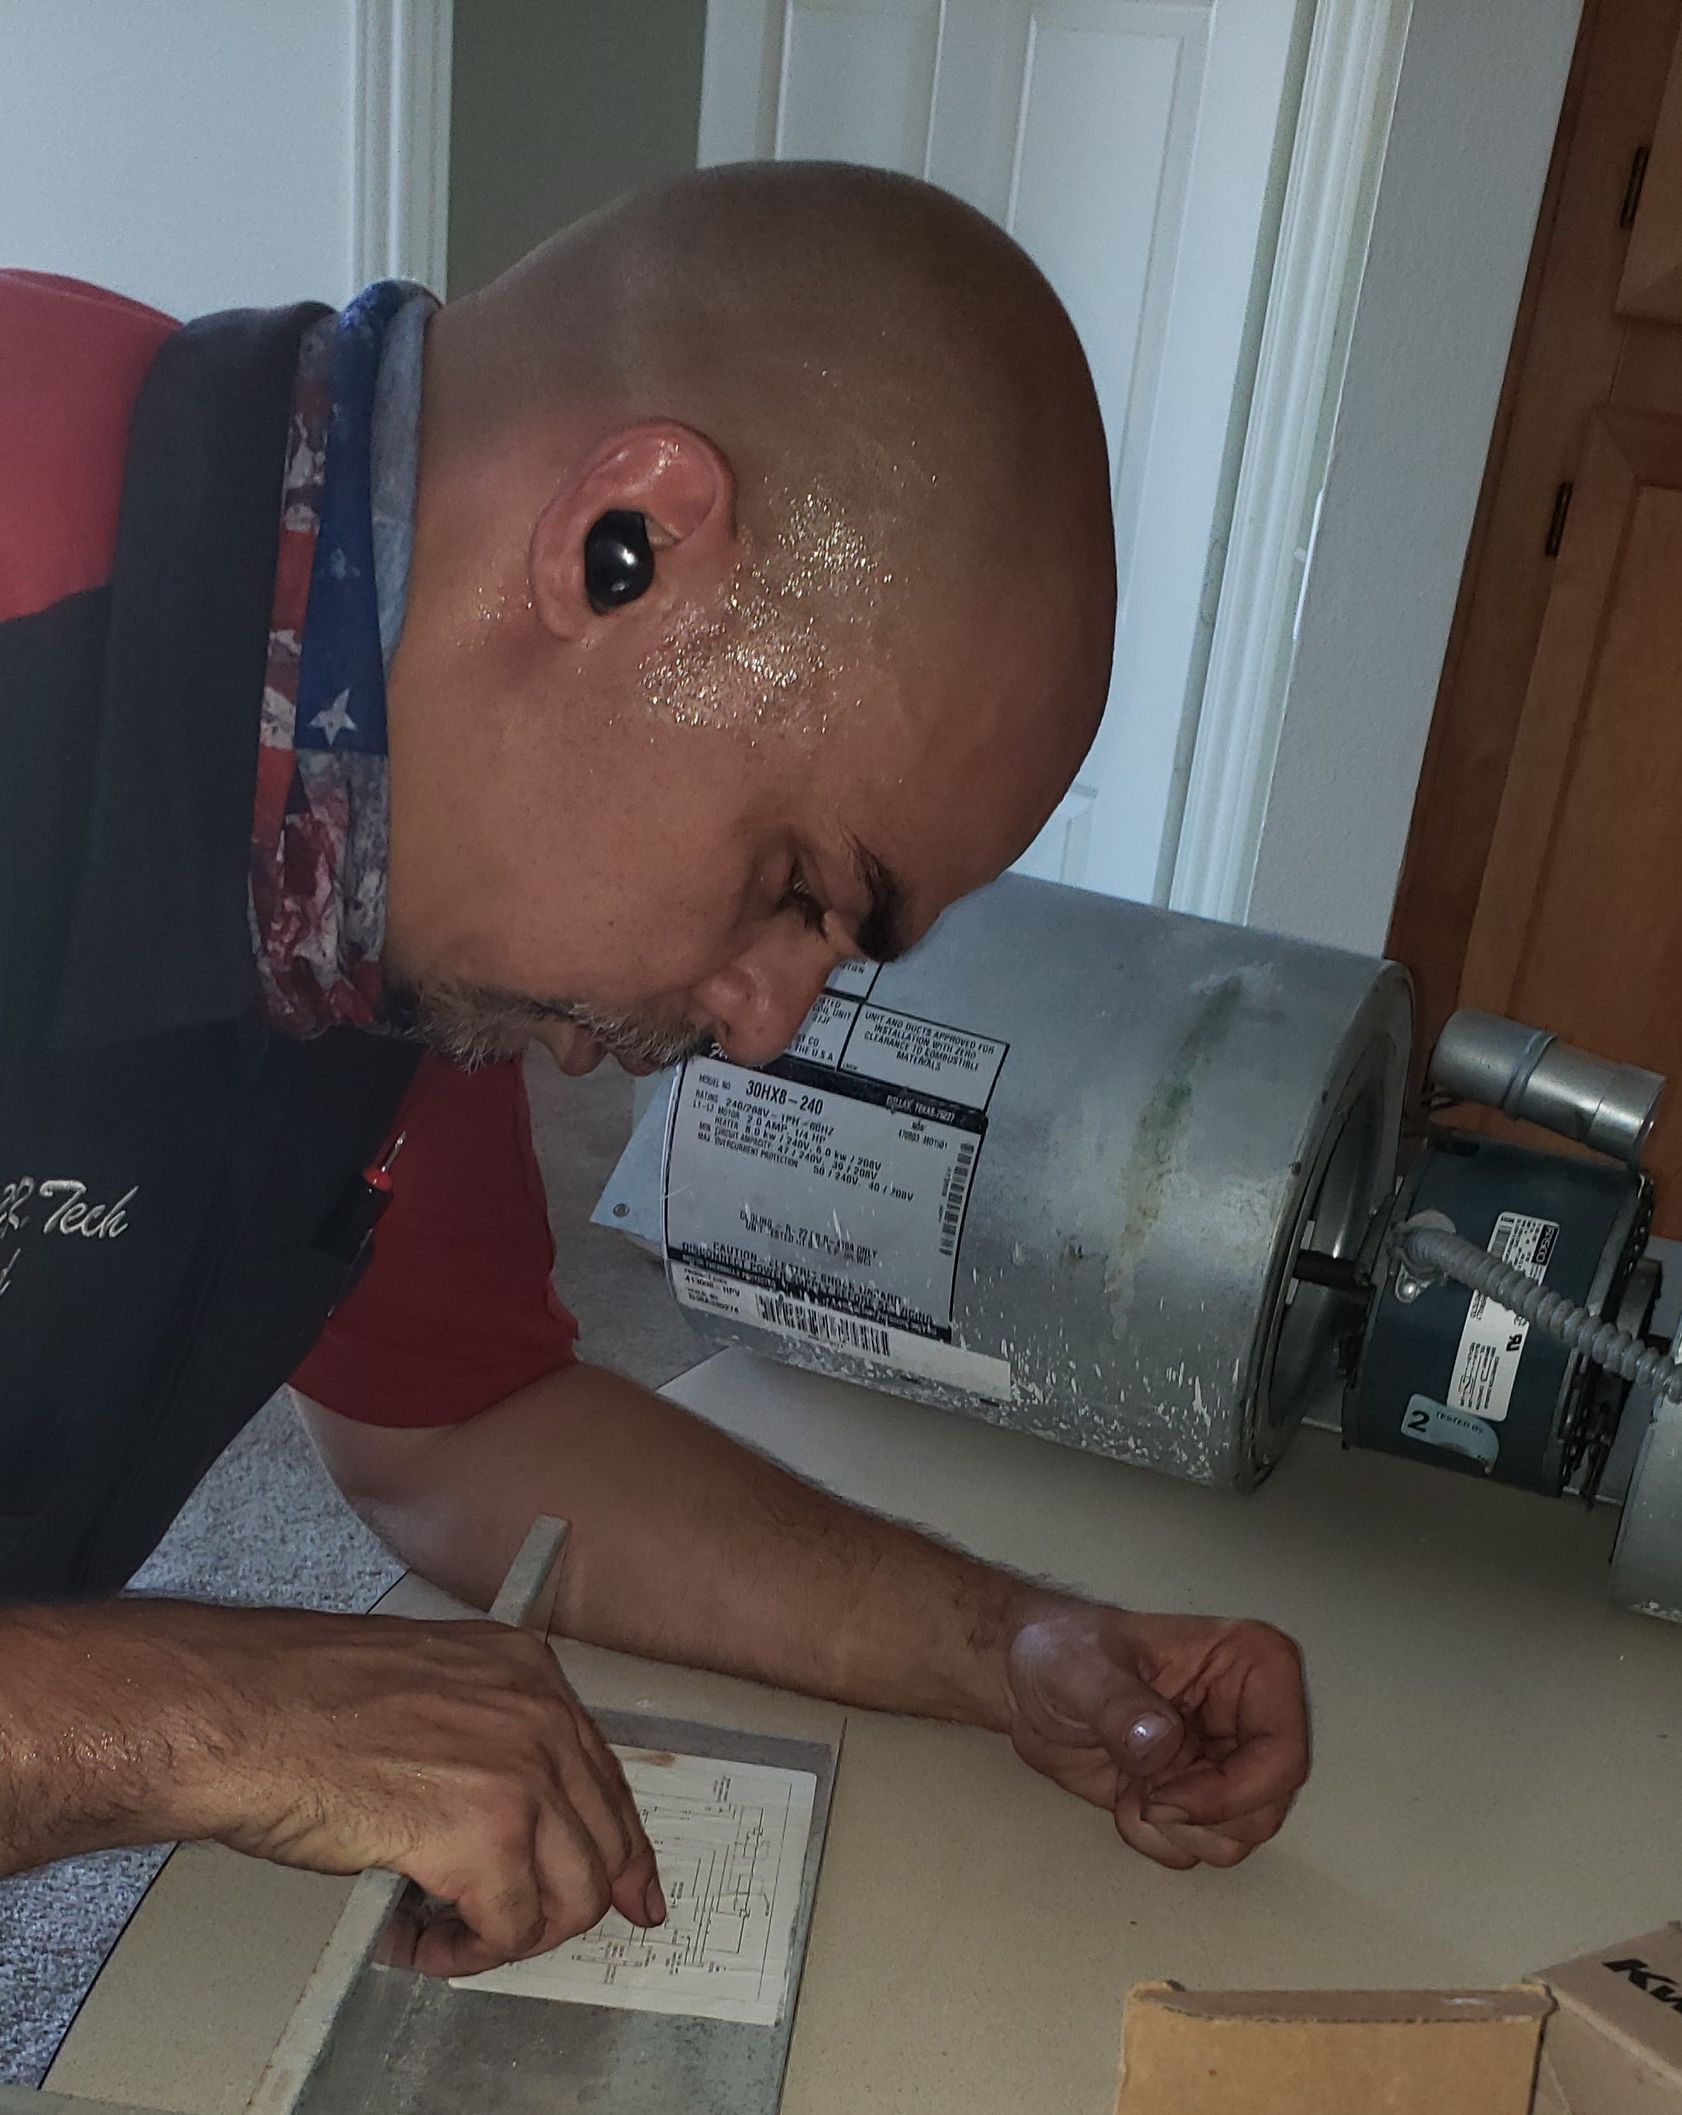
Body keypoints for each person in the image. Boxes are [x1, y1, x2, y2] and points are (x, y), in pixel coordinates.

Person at [0, 163, 1309, 1982]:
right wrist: (212, 1711)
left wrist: (1008, 1646)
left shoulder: (379, 855)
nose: (764, 1022)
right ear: (624, 540)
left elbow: (454, 1435)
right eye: (797, 890)